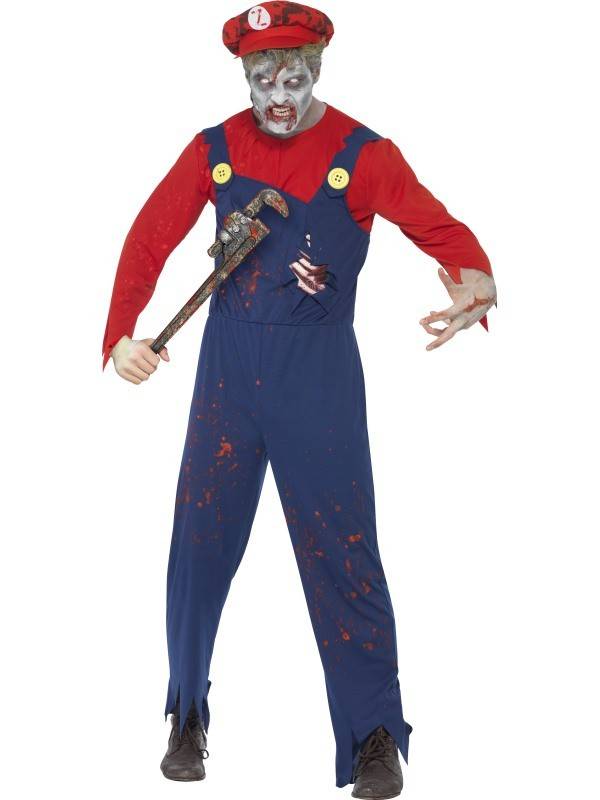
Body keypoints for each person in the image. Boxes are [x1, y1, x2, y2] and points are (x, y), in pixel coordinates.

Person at [101, 3, 497, 796]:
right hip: (227, 372)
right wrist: (120, 335)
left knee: (345, 555)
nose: (278, 97)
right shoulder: (213, 150)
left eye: (293, 79)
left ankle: (374, 736)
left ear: (317, 70)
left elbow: (444, 233)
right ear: (244, 76)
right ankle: (187, 713)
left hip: (319, 379)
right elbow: (150, 236)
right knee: (198, 548)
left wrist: (477, 284)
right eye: (263, 80)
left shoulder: (364, 154)